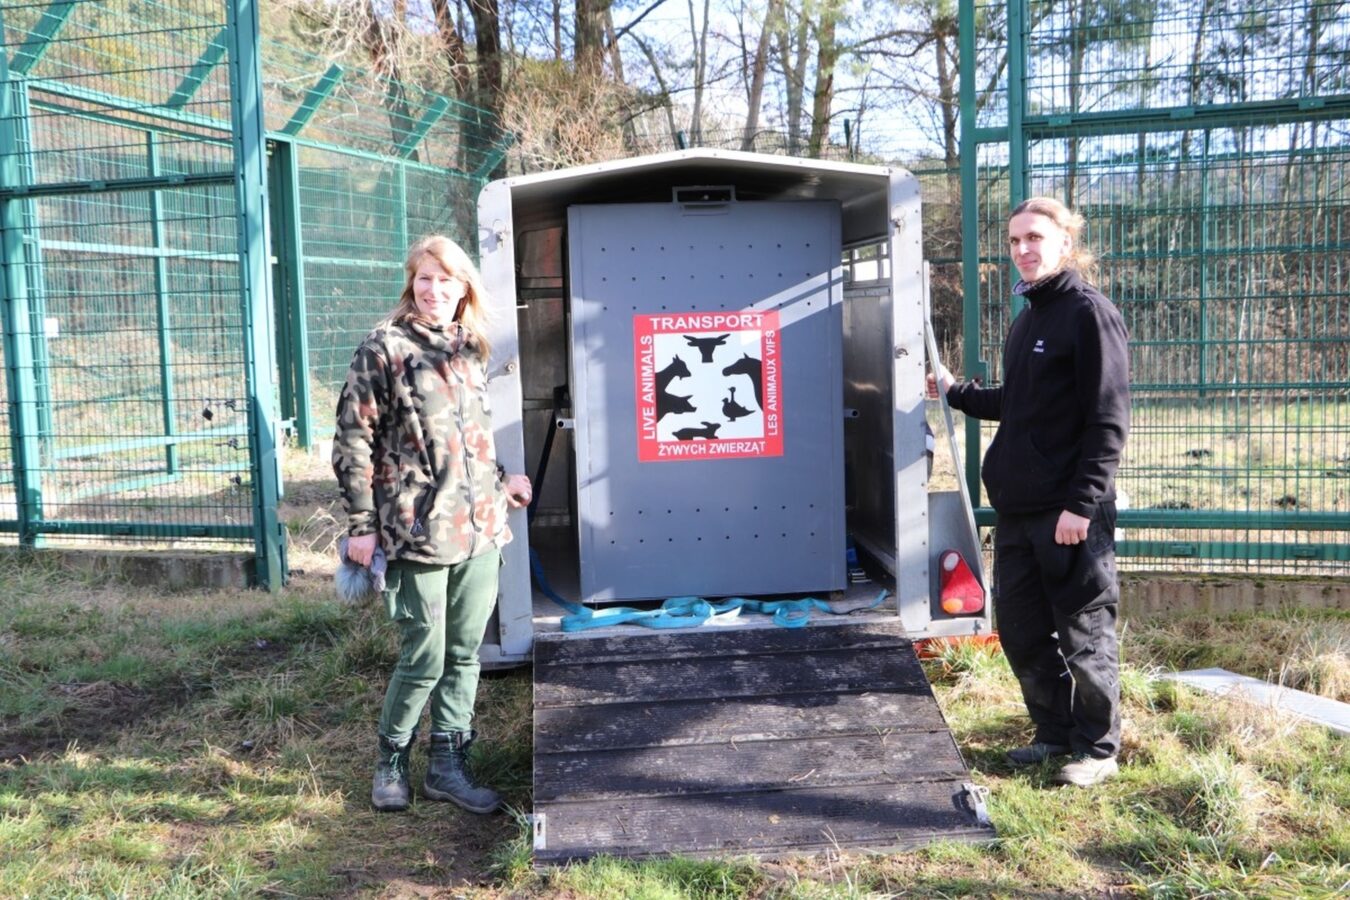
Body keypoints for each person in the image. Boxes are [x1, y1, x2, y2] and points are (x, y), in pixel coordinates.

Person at [930, 197, 1130, 788]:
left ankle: (1097, 749)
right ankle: (1052, 734)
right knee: (1019, 631)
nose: (1023, 249)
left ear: (1065, 242)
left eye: (1035, 238)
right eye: (1015, 240)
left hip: (1068, 514)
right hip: (1018, 512)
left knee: (1084, 634)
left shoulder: (1088, 314)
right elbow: (1018, 404)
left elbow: (1108, 420)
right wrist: (955, 391)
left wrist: (1081, 505)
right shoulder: (1030, 318)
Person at [333, 234, 531, 813]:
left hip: (481, 528)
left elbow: (469, 439)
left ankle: (448, 767)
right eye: (425, 278)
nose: (435, 290)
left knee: (466, 653)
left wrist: (503, 482)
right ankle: (390, 763)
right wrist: (361, 524)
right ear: (411, 282)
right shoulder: (384, 348)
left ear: (464, 287)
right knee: (424, 656)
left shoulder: (471, 346)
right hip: (416, 529)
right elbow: (353, 440)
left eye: (447, 280)